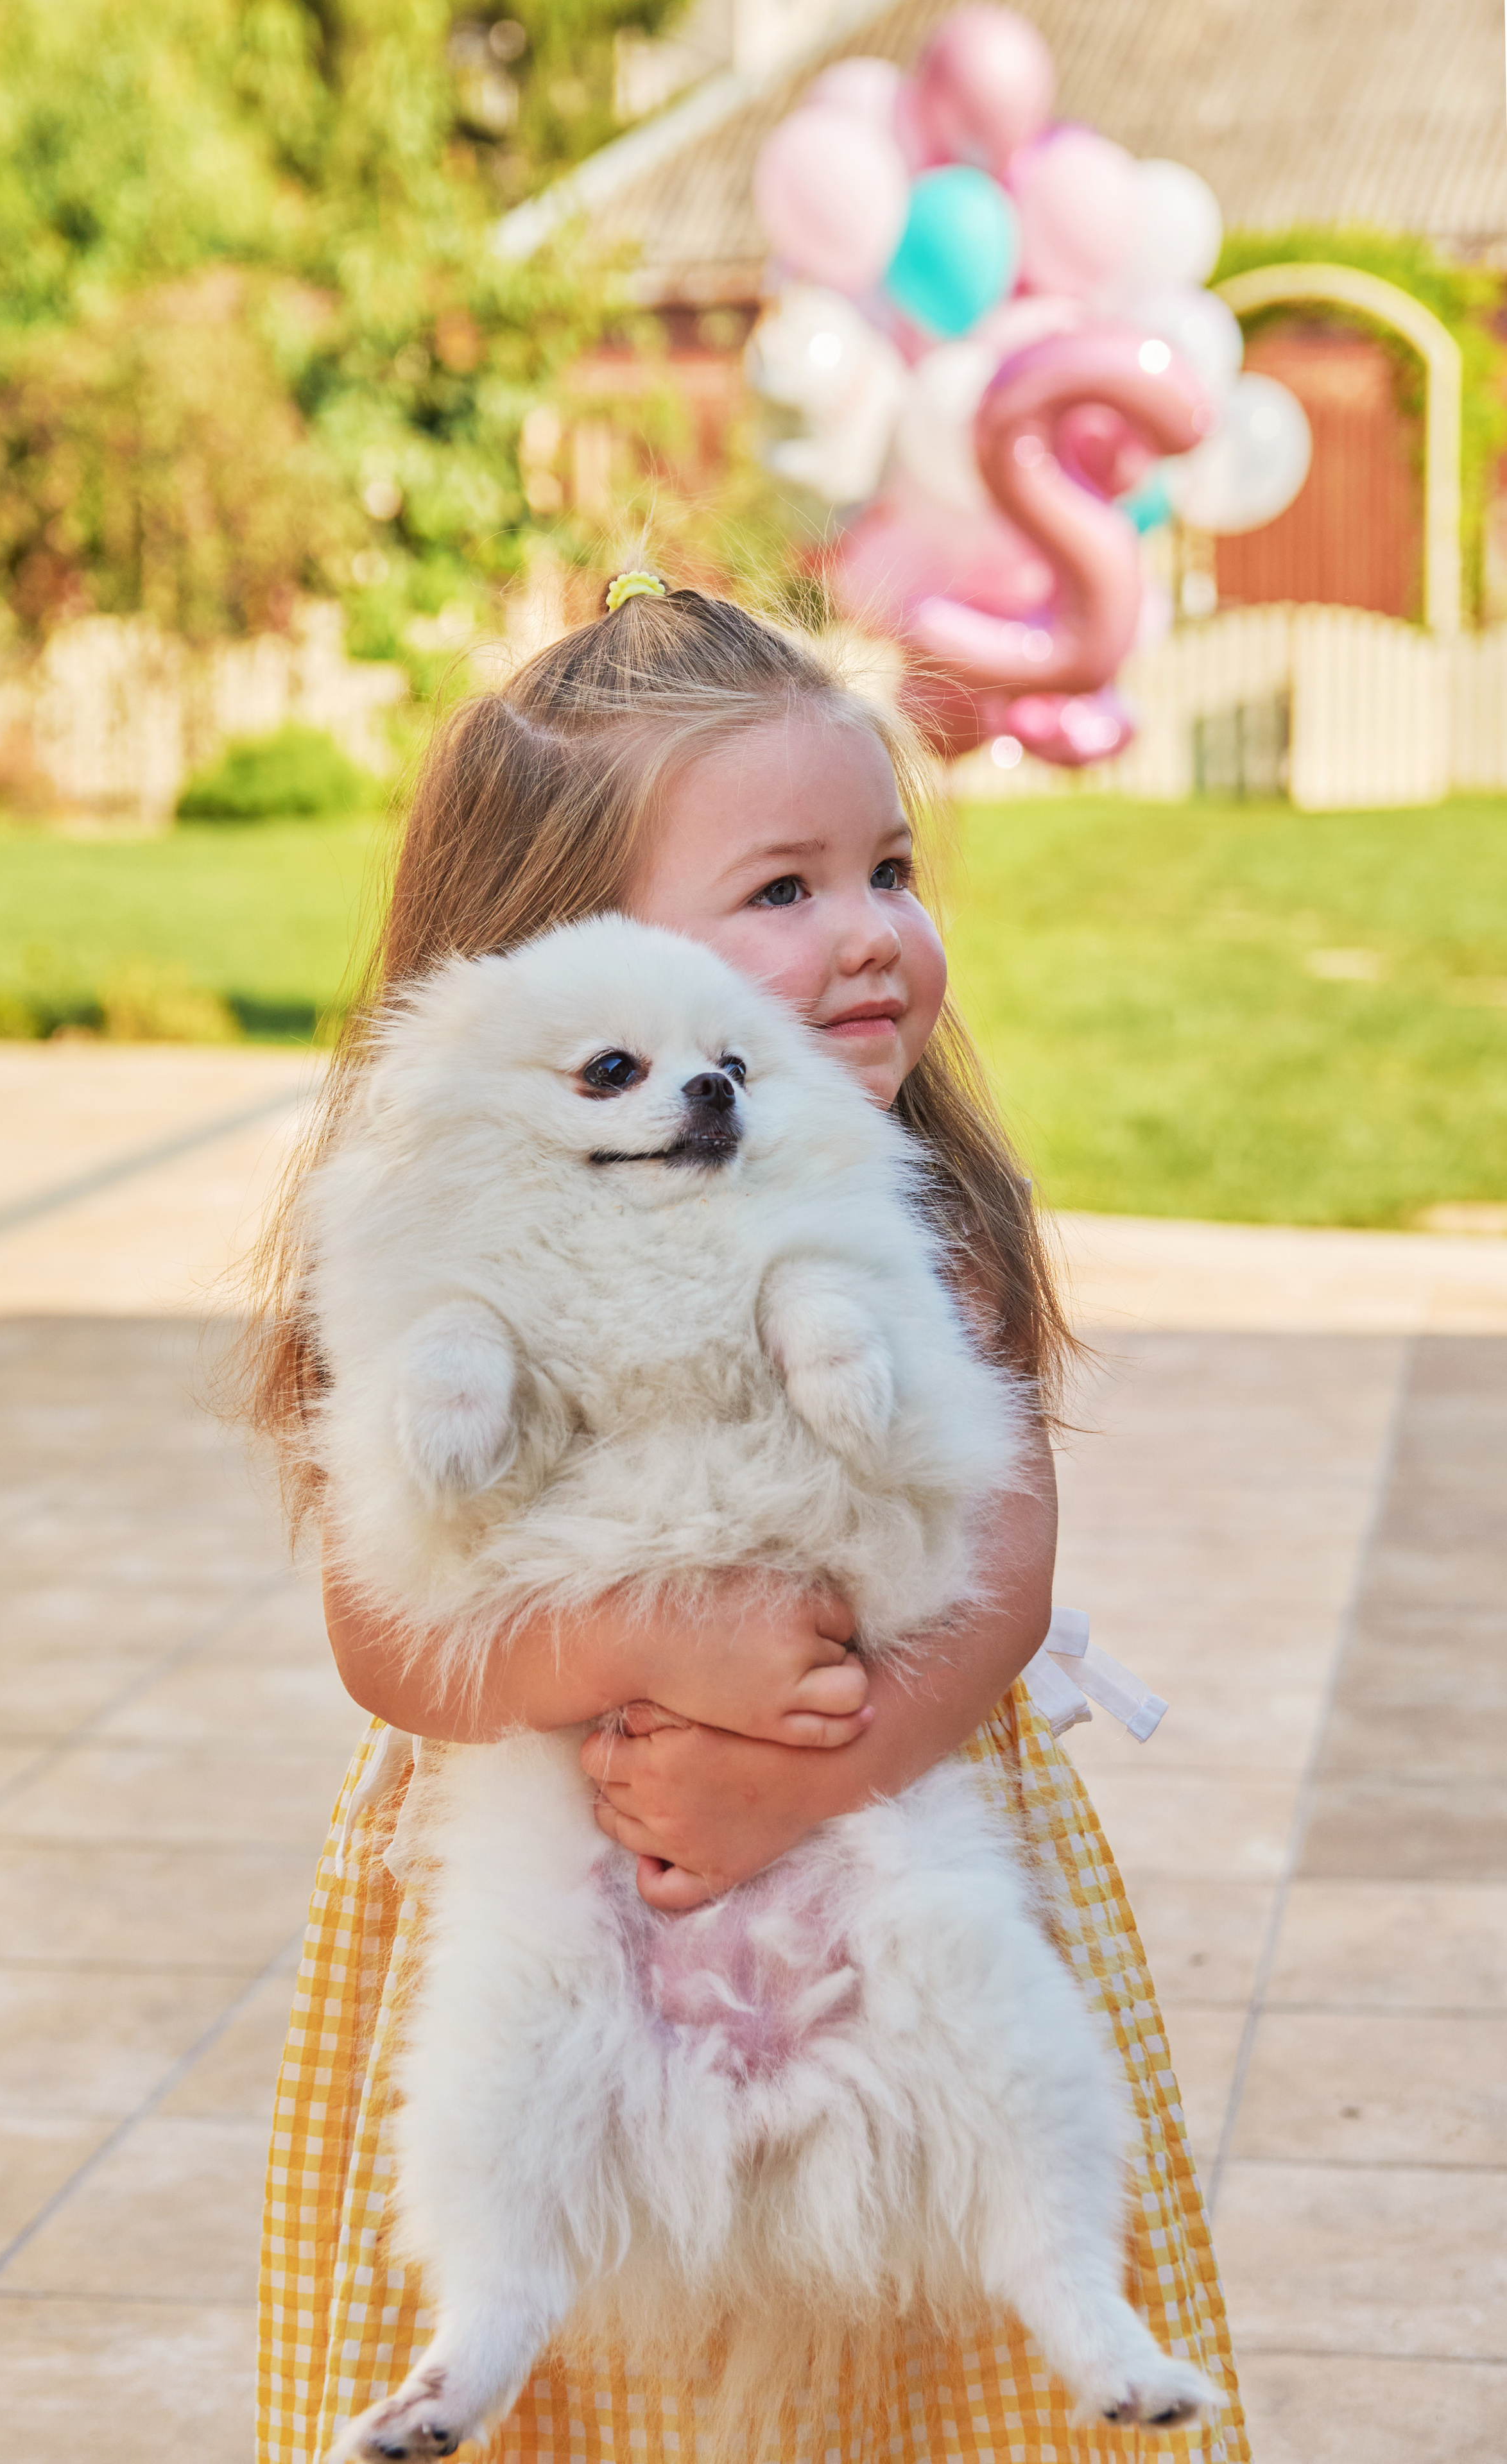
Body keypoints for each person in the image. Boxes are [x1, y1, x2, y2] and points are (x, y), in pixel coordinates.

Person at [238, 578, 1248, 2462]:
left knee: (930, 2317)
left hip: (890, 1816)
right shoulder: (451, 1245)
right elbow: (385, 1642)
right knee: (553, 2251)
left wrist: (811, 1777)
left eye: (888, 866)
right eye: (783, 892)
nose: (873, 936)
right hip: (544, 1873)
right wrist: (636, 1647)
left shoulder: (921, 1212)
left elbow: (1003, 1582)